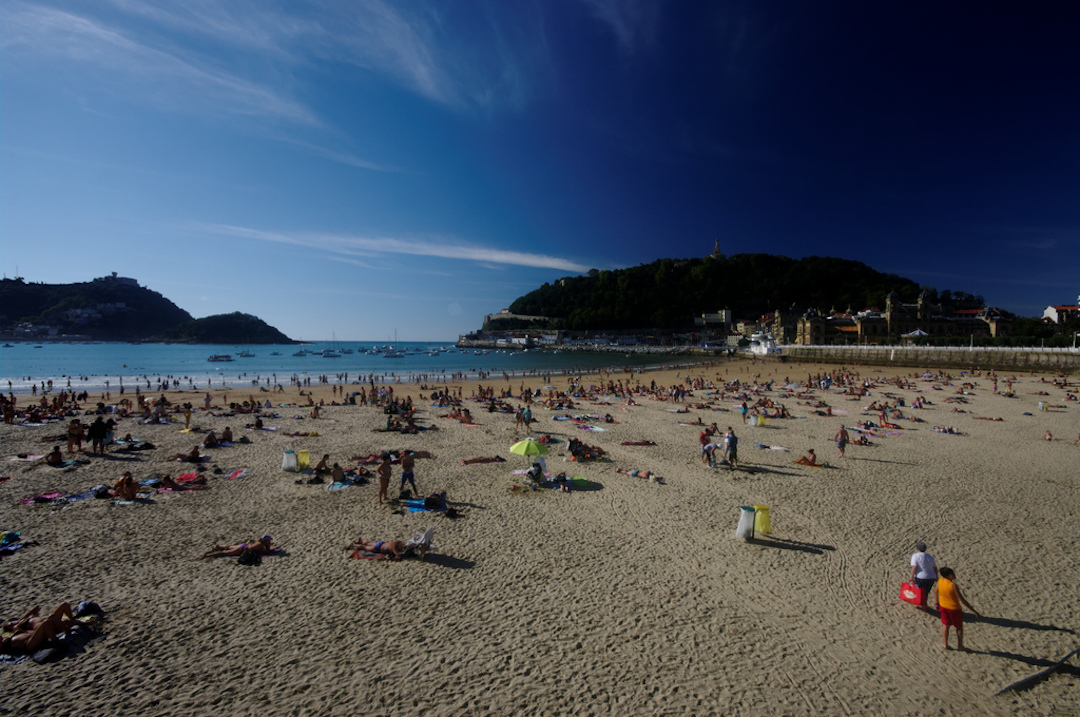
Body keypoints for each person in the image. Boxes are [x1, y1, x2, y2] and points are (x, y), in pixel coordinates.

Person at [933, 567, 980, 650]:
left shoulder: (940, 581)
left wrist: (937, 603)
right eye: (952, 574)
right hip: (954, 608)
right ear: (948, 575)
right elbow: (962, 600)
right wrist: (973, 611)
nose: (954, 575)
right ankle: (960, 645)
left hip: (943, 607)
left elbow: (936, 592)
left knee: (946, 625)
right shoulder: (953, 585)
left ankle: (945, 643)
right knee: (959, 627)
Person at [909, 541, 937, 609]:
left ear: (917, 548)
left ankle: (921, 604)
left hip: (920, 576)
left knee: (919, 591)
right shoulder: (929, 556)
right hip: (931, 576)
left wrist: (911, 577)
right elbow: (935, 568)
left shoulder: (915, 556)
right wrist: (936, 577)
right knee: (926, 591)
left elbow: (914, 567)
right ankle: (924, 604)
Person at [201, 535, 275, 559]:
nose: (270, 542)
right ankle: (207, 555)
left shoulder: (259, 542)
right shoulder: (261, 545)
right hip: (242, 549)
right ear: (265, 541)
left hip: (244, 545)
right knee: (225, 553)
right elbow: (266, 552)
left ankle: (219, 546)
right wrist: (269, 547)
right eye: (269, 541)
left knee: (230, 547)